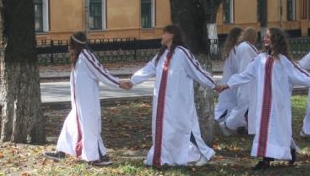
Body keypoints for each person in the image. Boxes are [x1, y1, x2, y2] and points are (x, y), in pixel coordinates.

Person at [216, 28, 310, 170]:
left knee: (277, 128)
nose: (264, 39)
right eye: (265, 37)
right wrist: (227, 85)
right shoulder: (260, 59)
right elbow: (245, 75)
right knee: (267, 129)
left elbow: (301, 75)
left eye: (268, 37)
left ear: (276, 40)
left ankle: (284, 151)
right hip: (263, 102)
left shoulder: (284, 61)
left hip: (278, 103)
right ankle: (266, 159)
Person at [121, 25, 217, 168]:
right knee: (166, 130)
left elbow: (197, 71)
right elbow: (149, 68)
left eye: (164, 33)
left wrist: (213, 85)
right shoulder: (162, 54)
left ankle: (204, 153)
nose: (162, 36)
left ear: (172, 35)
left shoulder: (182, 53)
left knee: (183, 127)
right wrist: (132, 80)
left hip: (178, 101)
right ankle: (165, 157)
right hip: (162, 101)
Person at [44, 31, 125, 166]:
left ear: (74, 43)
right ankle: (60, 152)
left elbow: (101, 72)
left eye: (70, 42)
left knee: (90, 129)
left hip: (88, 103)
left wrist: (118, 82)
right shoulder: (79, 57)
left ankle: (100, 157)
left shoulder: (86, 56)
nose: (68, 45)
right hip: (79, 103)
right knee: (69, 125)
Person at [219, 27, 259, 135]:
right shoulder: (244, 48)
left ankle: (244, 126)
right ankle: (229, 125)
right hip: (243, 81)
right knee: (242, 105)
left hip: (240, 80)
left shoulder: (240, 48)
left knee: (244, 105)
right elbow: (246, 66)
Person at [214, 27, 243, 122]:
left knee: (229, 102)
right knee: (231, 103)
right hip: (231, 82)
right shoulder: (234, 50)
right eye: (242, 35)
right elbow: (237, 68)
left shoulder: (233, 49)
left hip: (230, 80)